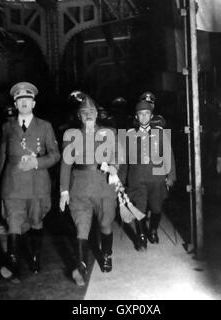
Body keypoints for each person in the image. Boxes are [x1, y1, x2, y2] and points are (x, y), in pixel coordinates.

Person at [0, 82, 60, 279]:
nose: (24, 103)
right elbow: (2, 157)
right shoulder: (7, 127)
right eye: (20, 100)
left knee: (36, 221)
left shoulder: (45, 126)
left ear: (33, 104)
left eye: (28, 100)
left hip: (37, 183)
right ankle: (13, 260)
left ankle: (35, 256)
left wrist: (37, 162)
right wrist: (1, 183)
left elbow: (55, 155)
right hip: (13, 184)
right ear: (15, 104)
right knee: (14, 222)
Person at [59, 95, 121, 286]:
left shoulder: (109, 133)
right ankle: (81, 267)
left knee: (105, 224)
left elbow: (118, 155)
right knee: (81, 228)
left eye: (91, 112)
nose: (88, 115)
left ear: (97, 115)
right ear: (79, 116)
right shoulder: (70, 135)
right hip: (79, 188)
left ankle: (107, 254)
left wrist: (114, 168)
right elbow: (66, 164)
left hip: (103, 186)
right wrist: (64, 192)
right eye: (84, 113)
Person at [119, 100, 176, 251]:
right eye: (140, 114)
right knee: (139, 207)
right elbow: (124, 161)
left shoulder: (160, 133)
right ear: (136, 117)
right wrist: (121, 181)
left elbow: (168, 156)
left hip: (156, 178)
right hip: (137, 178)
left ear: (151, 116)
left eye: (146, 114)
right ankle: (141, 236)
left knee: (157, 208)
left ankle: (153, 230)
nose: (143, 117)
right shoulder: (128, 135)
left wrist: (170, 176)